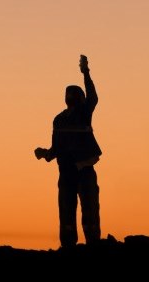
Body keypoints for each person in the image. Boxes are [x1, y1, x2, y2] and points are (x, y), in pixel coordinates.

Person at [34, 55, 102, 248]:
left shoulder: (84, 113)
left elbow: (93, 97)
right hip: (66, 173)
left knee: (89, 212)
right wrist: (44, 153)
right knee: (66, 213)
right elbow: (56, 149)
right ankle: (68, 247)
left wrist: (86, 73)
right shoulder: (59, 120)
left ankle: (93, 245)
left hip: (84, 171)